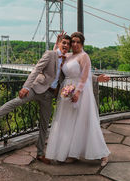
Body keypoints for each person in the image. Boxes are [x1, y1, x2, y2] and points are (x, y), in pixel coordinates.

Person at [0, 34, 71, 164]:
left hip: (49, 95)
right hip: (37, 88)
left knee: (45, 125)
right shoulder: (50, 54)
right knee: (16, 102)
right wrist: (26, 87)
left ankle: (40, 153)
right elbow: (36, 70)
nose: (66, 46)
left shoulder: (66, 59)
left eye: (68, 44)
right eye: (64, 43)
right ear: (60, 43)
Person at [45, 32, 110, 166]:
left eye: (77, 42)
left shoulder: (84, 56)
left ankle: (103, 154)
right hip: (66, 90)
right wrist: (57, 41)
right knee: (68, 123)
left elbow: (85, 76)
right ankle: (72, 153)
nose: (74, 44)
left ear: (82, 44)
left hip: (80, 92)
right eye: (72, 42)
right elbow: (54, 56)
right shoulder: (68, 56)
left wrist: (78, 92)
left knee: (86, 122)